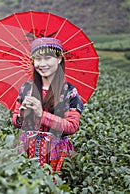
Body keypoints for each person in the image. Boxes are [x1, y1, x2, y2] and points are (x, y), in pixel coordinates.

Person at [11, 37, 83, 172]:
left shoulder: (69, 92)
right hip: (27, 148)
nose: (42, 64)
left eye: (48, 58)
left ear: (59, 59)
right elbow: (16, 121)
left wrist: (41, 114)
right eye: (38, 59)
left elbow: (71, 126)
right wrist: (21, 116)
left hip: (56, 152)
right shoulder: (26, 89)